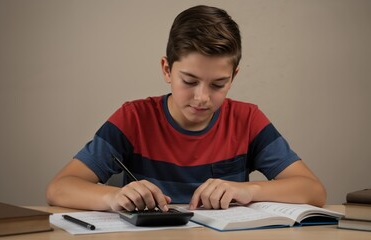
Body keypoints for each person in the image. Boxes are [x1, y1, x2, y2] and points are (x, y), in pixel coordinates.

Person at [46, 5, 326, 213]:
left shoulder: (247, 119)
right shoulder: (134, 118)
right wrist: (111, 197)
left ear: (234, 77)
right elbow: (59, 187)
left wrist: (248, 189)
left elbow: (313, 191)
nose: (202, 97)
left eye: (218, 84)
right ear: (167, 69)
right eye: (189, 81)